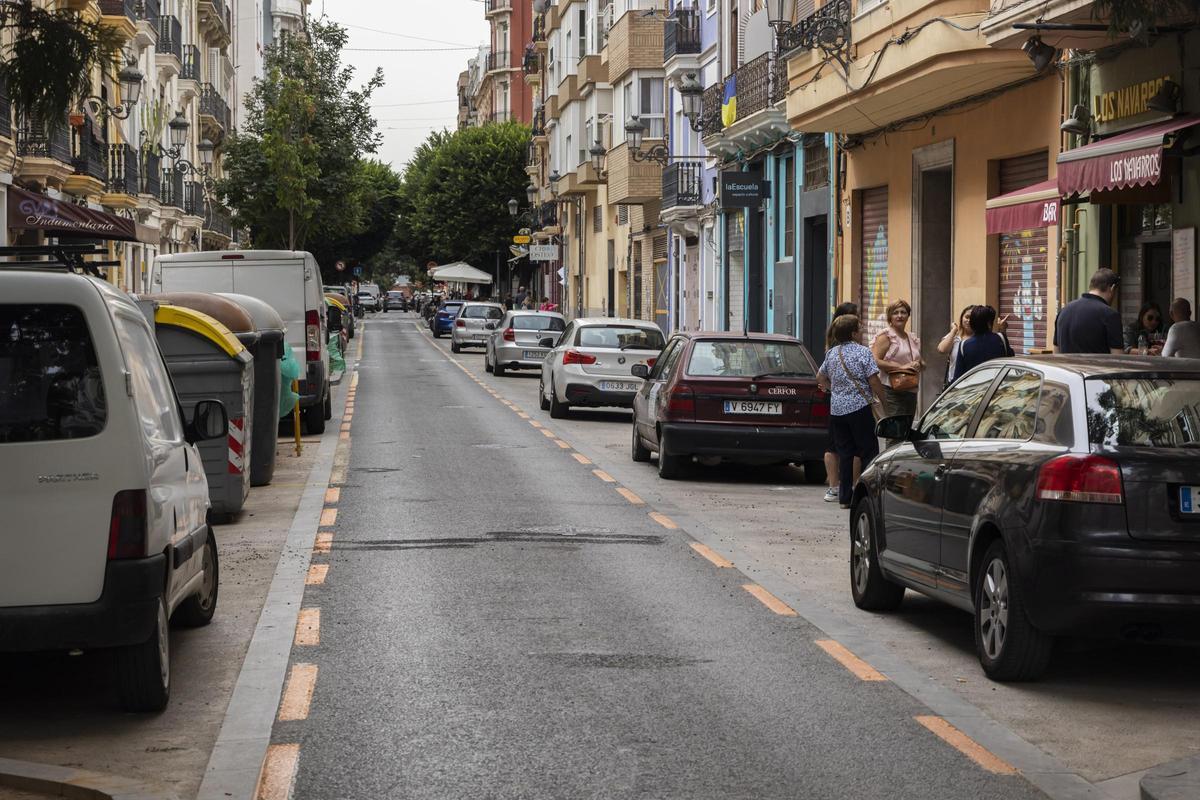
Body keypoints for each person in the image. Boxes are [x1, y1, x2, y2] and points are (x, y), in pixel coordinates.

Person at [818, 315, 887, 509]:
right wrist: (885, 402)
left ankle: (844, 498)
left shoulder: (832, 353)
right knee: (868, 450)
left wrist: (835, 390)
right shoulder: (863, 352)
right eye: (860, 327)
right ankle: (867, 494)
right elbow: (874, 381)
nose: (862, 330)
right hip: (859, 408)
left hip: (837, 411)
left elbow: (820, 377)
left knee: (845, 453)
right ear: (854, 333)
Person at [822, 302, 860, 503]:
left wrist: (831, 387)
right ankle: (853, 486)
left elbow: (822, 375)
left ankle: (833, 487)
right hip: (854, 402)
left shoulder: (831, 339)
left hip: (835, 401)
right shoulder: (853, 346)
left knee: (833, 445)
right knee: (853, 447)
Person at [871, 299, 923, 420]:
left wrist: (918, 364)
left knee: (906, 427)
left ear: (908, 315)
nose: (900, 316)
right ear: (890, 316)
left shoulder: (911, 337)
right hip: (891, 390)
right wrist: (901, 367)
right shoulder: (886, 336)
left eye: (903, 312)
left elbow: (919, 360)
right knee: (895, 427)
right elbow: (875, 361)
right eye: (895, 313)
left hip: (910, 388)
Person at [1054, 268, 1124, 354]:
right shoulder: (1110, 315)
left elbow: (1056, 352)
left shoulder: (1063, 311)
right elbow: (1117, 356)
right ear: (1112, 288)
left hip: (1066, 363)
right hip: (1097, 363)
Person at [956, 305, 1014, 375]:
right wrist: (1003, 330)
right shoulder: (1001, 338)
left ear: (972, 323)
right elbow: (1011, 359)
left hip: (975, 381)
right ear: (989, 323)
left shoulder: (964, 345)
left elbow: (958, 374)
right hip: (998, 380)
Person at [937, 305, 976, 387]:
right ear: (962, 318)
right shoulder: (955, 336)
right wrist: (954, 331)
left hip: (974, 383)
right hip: (954, 384)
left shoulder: (979, 338)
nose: (969, 320)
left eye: (973, 318)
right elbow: (941, 349)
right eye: (967, 317)